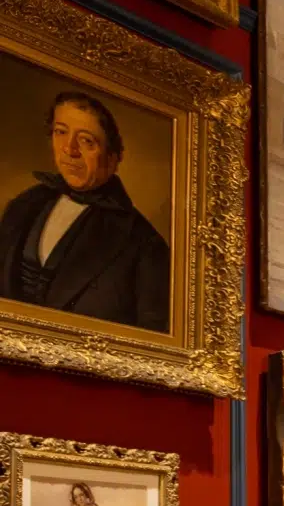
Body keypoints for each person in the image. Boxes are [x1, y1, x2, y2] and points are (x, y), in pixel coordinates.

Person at [0, 90, 171, 330]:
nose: (69, 150)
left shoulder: (146, 245)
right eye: (61, 132)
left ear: (114, 157)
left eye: (86, 140)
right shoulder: (24, 204)